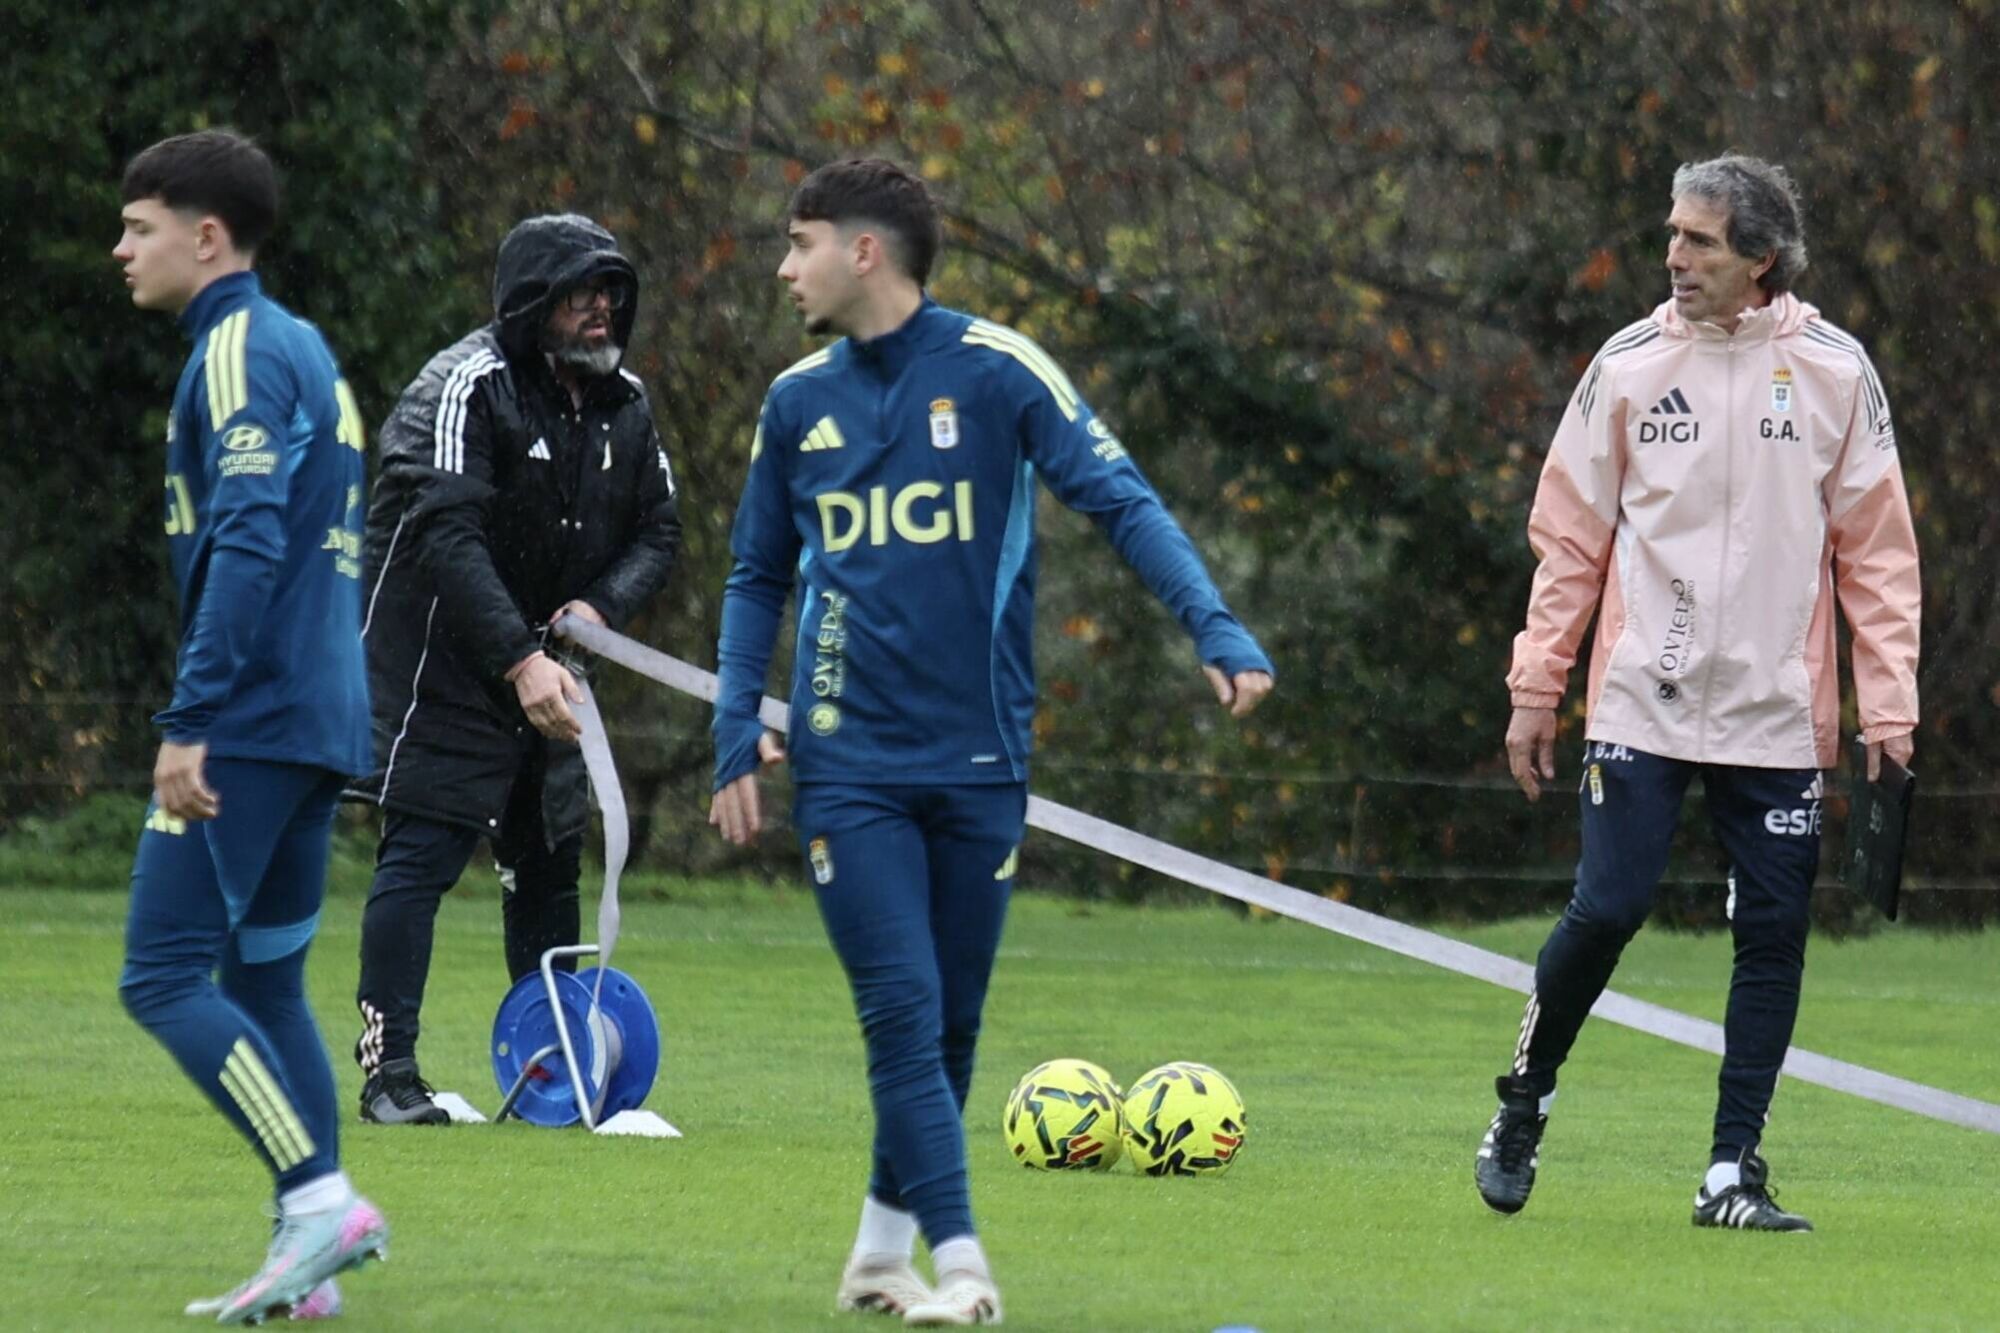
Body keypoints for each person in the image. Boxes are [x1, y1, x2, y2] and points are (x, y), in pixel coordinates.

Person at [709, 159, 1275, 1325]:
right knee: (903, 1013)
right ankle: (959, 1264)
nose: (783, 266)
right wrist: (733, 734)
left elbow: (1120, 499)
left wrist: (1211, 623)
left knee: (951, 1027)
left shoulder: (1000, 372)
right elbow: (757, 573)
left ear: (864, 252)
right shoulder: (795, 401)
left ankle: (875, 1255)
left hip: (979, 760)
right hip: (846, 761)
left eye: (799, 241)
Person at [1477, 155, 1921, 1231]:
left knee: (1771, 934)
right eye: (1671, 235)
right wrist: (1535, 684)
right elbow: (1568, 541)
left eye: (1699, 241)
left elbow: (1876, 555)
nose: (1672, 256)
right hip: (1643, 698)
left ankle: (1730, 1169)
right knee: (1608, 907)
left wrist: (1889, 707)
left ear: (1758, 259)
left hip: (1775, 714)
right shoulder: (1627, 365)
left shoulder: (1830, 369)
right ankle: (1521, 1102)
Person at [113, 128, 386, 1323]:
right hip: (322, 712)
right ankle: (306, 1255)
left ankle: (318, 1196)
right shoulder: (306, 348)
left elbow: (250, 533)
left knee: (163, 977)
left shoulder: (232, 349)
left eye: (139, 226)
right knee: (265, 986)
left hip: (253, 719)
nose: (122, 247)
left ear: (205, 237)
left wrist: (192, 718)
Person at [344, 214, 682, 1124]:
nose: (602, 310)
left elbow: (660, 530)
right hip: (443, 663)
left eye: (610, 293)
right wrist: (518, 657)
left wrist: (601, 607)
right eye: (581, 295)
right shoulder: (465, 387)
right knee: (423, 853)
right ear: (532, 304)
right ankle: (390, 1077)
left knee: (546, 860)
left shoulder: (628, 404)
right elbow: (445, 535)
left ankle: (556, 1072)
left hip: (554, 667)